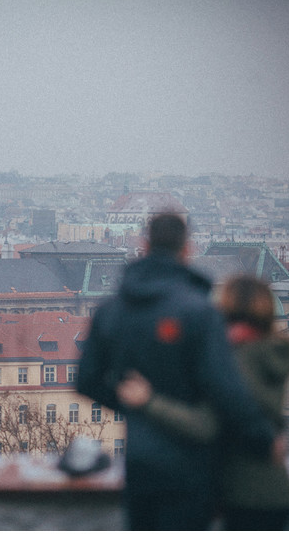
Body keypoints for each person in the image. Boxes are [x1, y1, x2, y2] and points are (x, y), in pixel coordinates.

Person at [77, 213, 277, 530]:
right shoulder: (200, 310)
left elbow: (86, 380)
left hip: (140, 464)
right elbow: (225, 387)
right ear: (187, 250)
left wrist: (134, 406)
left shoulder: (111, 310)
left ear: (144, 246)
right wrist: (262, 437)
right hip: (193, 465)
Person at [121, 275, 289, 530]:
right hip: (275, 489)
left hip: (245, 494)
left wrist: (149, 401)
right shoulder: (272, 351)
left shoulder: (236, 359)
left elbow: (205, 426)